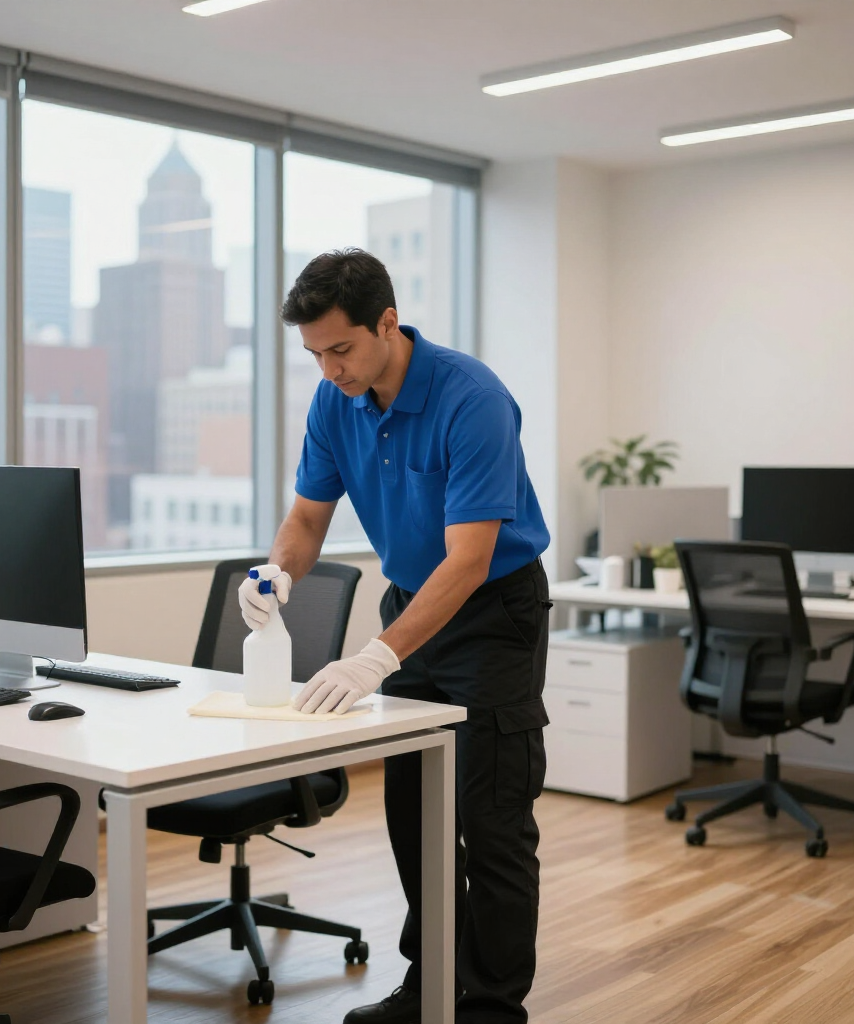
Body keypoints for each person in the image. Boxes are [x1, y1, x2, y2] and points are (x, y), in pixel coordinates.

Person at [237, 248, 551, 1024]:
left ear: (388, 322)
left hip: (493, 614)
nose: (329, 369)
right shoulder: (333, 402)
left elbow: (471, 559)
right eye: (313, 354)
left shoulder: (470, 398)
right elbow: (309, 518)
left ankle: (490, 1009)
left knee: (492, 820)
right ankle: (429, 989)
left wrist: (379, 656)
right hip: (413, 606)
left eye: (340, 349)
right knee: (415, 818)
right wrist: (276, 574)